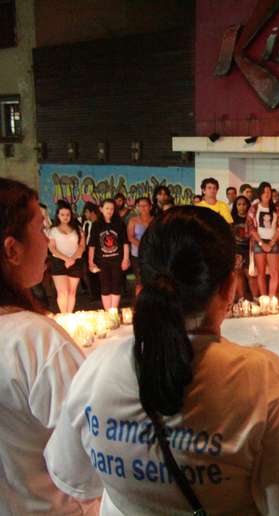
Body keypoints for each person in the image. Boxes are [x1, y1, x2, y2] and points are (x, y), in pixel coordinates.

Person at [44, 206, 279, 515]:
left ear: (143, 286)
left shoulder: (98, 368)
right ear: (229, 286)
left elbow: (71, 475)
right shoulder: (262, 379)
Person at [0, 178, 95, 514]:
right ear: (12, 249)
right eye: (41, 229)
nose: (47, 240)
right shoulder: (36, 341)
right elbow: (86, 458)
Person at [88, 199, 130, 310]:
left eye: (112, 208)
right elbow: (92, 245)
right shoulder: (96, 225)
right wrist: (90, 262)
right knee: (105, 287)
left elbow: (125, 243)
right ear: (101, 209)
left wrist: (126, 259)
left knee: (116, 286)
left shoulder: (119, 223)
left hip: (117, 260)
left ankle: (114, 311)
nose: (109, 211)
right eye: (107, 208)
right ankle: (108, 313)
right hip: (101, 261)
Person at [49, 203, 85, 313]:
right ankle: (64, 315)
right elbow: (52, 248)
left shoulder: (78, 229)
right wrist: (66, 259)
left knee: (72, 292)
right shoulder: (53, 230)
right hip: (58, 262)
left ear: (71, 215)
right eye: (62, 215)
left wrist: (72, 259)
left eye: (67, 215)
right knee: (62, 292)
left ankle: (69, 314)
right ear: (58, 215)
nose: (65, 217)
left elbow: (82, 246)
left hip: (75, 261)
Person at [248, 182, 279, 296]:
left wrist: (271, 243)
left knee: (274, 274)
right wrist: (261, 243)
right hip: (259, 242)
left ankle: (271, 299)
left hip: (273, 242)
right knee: (260, 274)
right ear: (260, 193)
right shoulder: (254, 207)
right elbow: (251, 227)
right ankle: (263, 298)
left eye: (269, 192)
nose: (267, 194)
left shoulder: (276, 208)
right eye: (265, 192)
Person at [127, 197, 154, 295]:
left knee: (152, 281)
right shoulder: (133, 220)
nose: (143, 208)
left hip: (152, 255)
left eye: (145, 205)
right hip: (137, 255)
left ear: (150, 207)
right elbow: (130, 237)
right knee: (139, 281)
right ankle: (138, 304)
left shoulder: (155, 220)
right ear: (137, 207)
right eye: (140, 206)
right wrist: (143, 246)